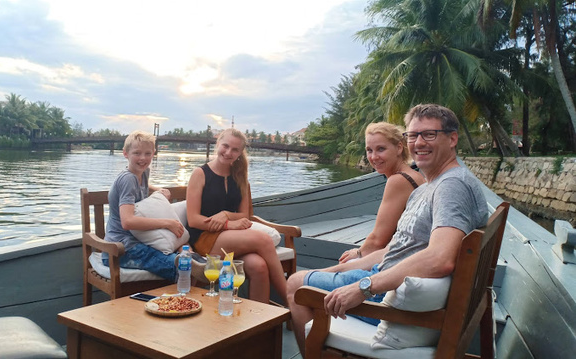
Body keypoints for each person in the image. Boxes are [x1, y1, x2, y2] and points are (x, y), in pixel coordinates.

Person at [286, 104, 489, 355]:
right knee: (314, 276)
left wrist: (364, 287)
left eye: (429, 134)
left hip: (390, 300)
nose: (419, 142)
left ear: (452, 139)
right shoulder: (428, 186)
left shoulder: (451, 187)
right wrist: (333, 270)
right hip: (386, 279)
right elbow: (391, 250)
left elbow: (440, 258)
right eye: (413, 135)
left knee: (296, 285)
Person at [186, 128, 287, 304]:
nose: (228, 152)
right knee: (263, 240)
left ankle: (258, 324)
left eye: (235, 150)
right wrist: (228, 225)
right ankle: (290, 299)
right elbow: (193, 219)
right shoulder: (200, 174)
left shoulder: (240, 178)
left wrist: (225, 214)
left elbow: (244, 215)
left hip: (231, 240)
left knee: (259, 266)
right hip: (204, 238)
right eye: (225, 146)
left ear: (240, 153)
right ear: (218, 143)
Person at [104, 130, 201, 281]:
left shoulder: (143, 172)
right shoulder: (127, 179)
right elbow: (127, 221)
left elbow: (143, 185)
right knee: (182, 268)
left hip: (141, 241)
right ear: (125, 154)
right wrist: (167, 223)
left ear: (153, 153)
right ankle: (179, 300)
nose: (143, 158)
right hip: (121, 249)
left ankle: (192, 264)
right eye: (137, 153)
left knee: (185, 257)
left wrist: (156, 190)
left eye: (147, 153)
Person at [338, 122, 424, 263]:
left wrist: (359, 253)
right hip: (411, 254)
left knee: (345, 262)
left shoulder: (398, 181)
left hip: (406, 260)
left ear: (399, 148)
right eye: (369, 150)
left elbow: (378, 240)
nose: (374, 157)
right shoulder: (415, 175)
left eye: (381, 149)